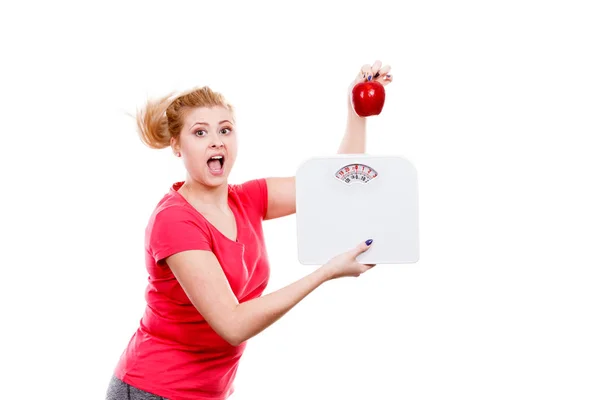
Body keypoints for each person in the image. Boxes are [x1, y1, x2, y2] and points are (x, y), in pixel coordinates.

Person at [106, 60, 393, 400]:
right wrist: (327, 272)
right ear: (177, 146)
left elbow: (336, 186)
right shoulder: (174, 221)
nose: (216, 142)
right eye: (200, 132)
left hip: (209, 392)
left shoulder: (247, 199)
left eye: (225, 130)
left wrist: (355, 112)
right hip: (154, 389)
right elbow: (233, 325)